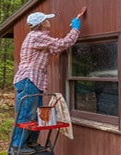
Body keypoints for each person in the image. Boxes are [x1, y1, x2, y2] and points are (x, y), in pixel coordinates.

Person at [12, 12, 81, 154]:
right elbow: (62, 43)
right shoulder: (37, 36)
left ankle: (30, 143)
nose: (49, 21)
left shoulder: (40, 38)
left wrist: (70, 33)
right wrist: (75, 29)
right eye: (46, 20)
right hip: (28, 80)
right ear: (42, 23)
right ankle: (18, 146)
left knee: (35, 115)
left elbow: (55, 49)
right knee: (26, 114)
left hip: (32, 81)